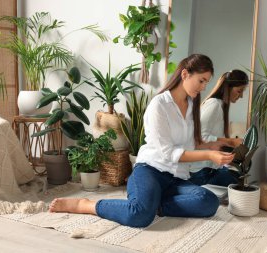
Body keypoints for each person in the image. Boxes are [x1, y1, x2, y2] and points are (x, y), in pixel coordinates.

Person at [49, 54, 235, 228]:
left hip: (177, 178)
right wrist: (209, 154)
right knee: (139, 216)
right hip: (151, 171)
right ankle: (87, 205)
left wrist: (216, 145)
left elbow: (191, 143)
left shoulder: (192, 106)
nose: (203, 87)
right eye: (201, 81)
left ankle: (153, 204)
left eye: (206, 82)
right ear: (185, 74)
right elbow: (169, 153)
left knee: (208, 202)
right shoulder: (159, 105)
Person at [189, 70, 249, 187]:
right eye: (239, 91)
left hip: (209, 169)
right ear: (228, 88)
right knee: (237, 182)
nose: (241, 96)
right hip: (200, 173)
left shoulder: (220, 105)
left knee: (238, 176)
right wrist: (230, 141)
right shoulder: (214, 104)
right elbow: (198, 136)